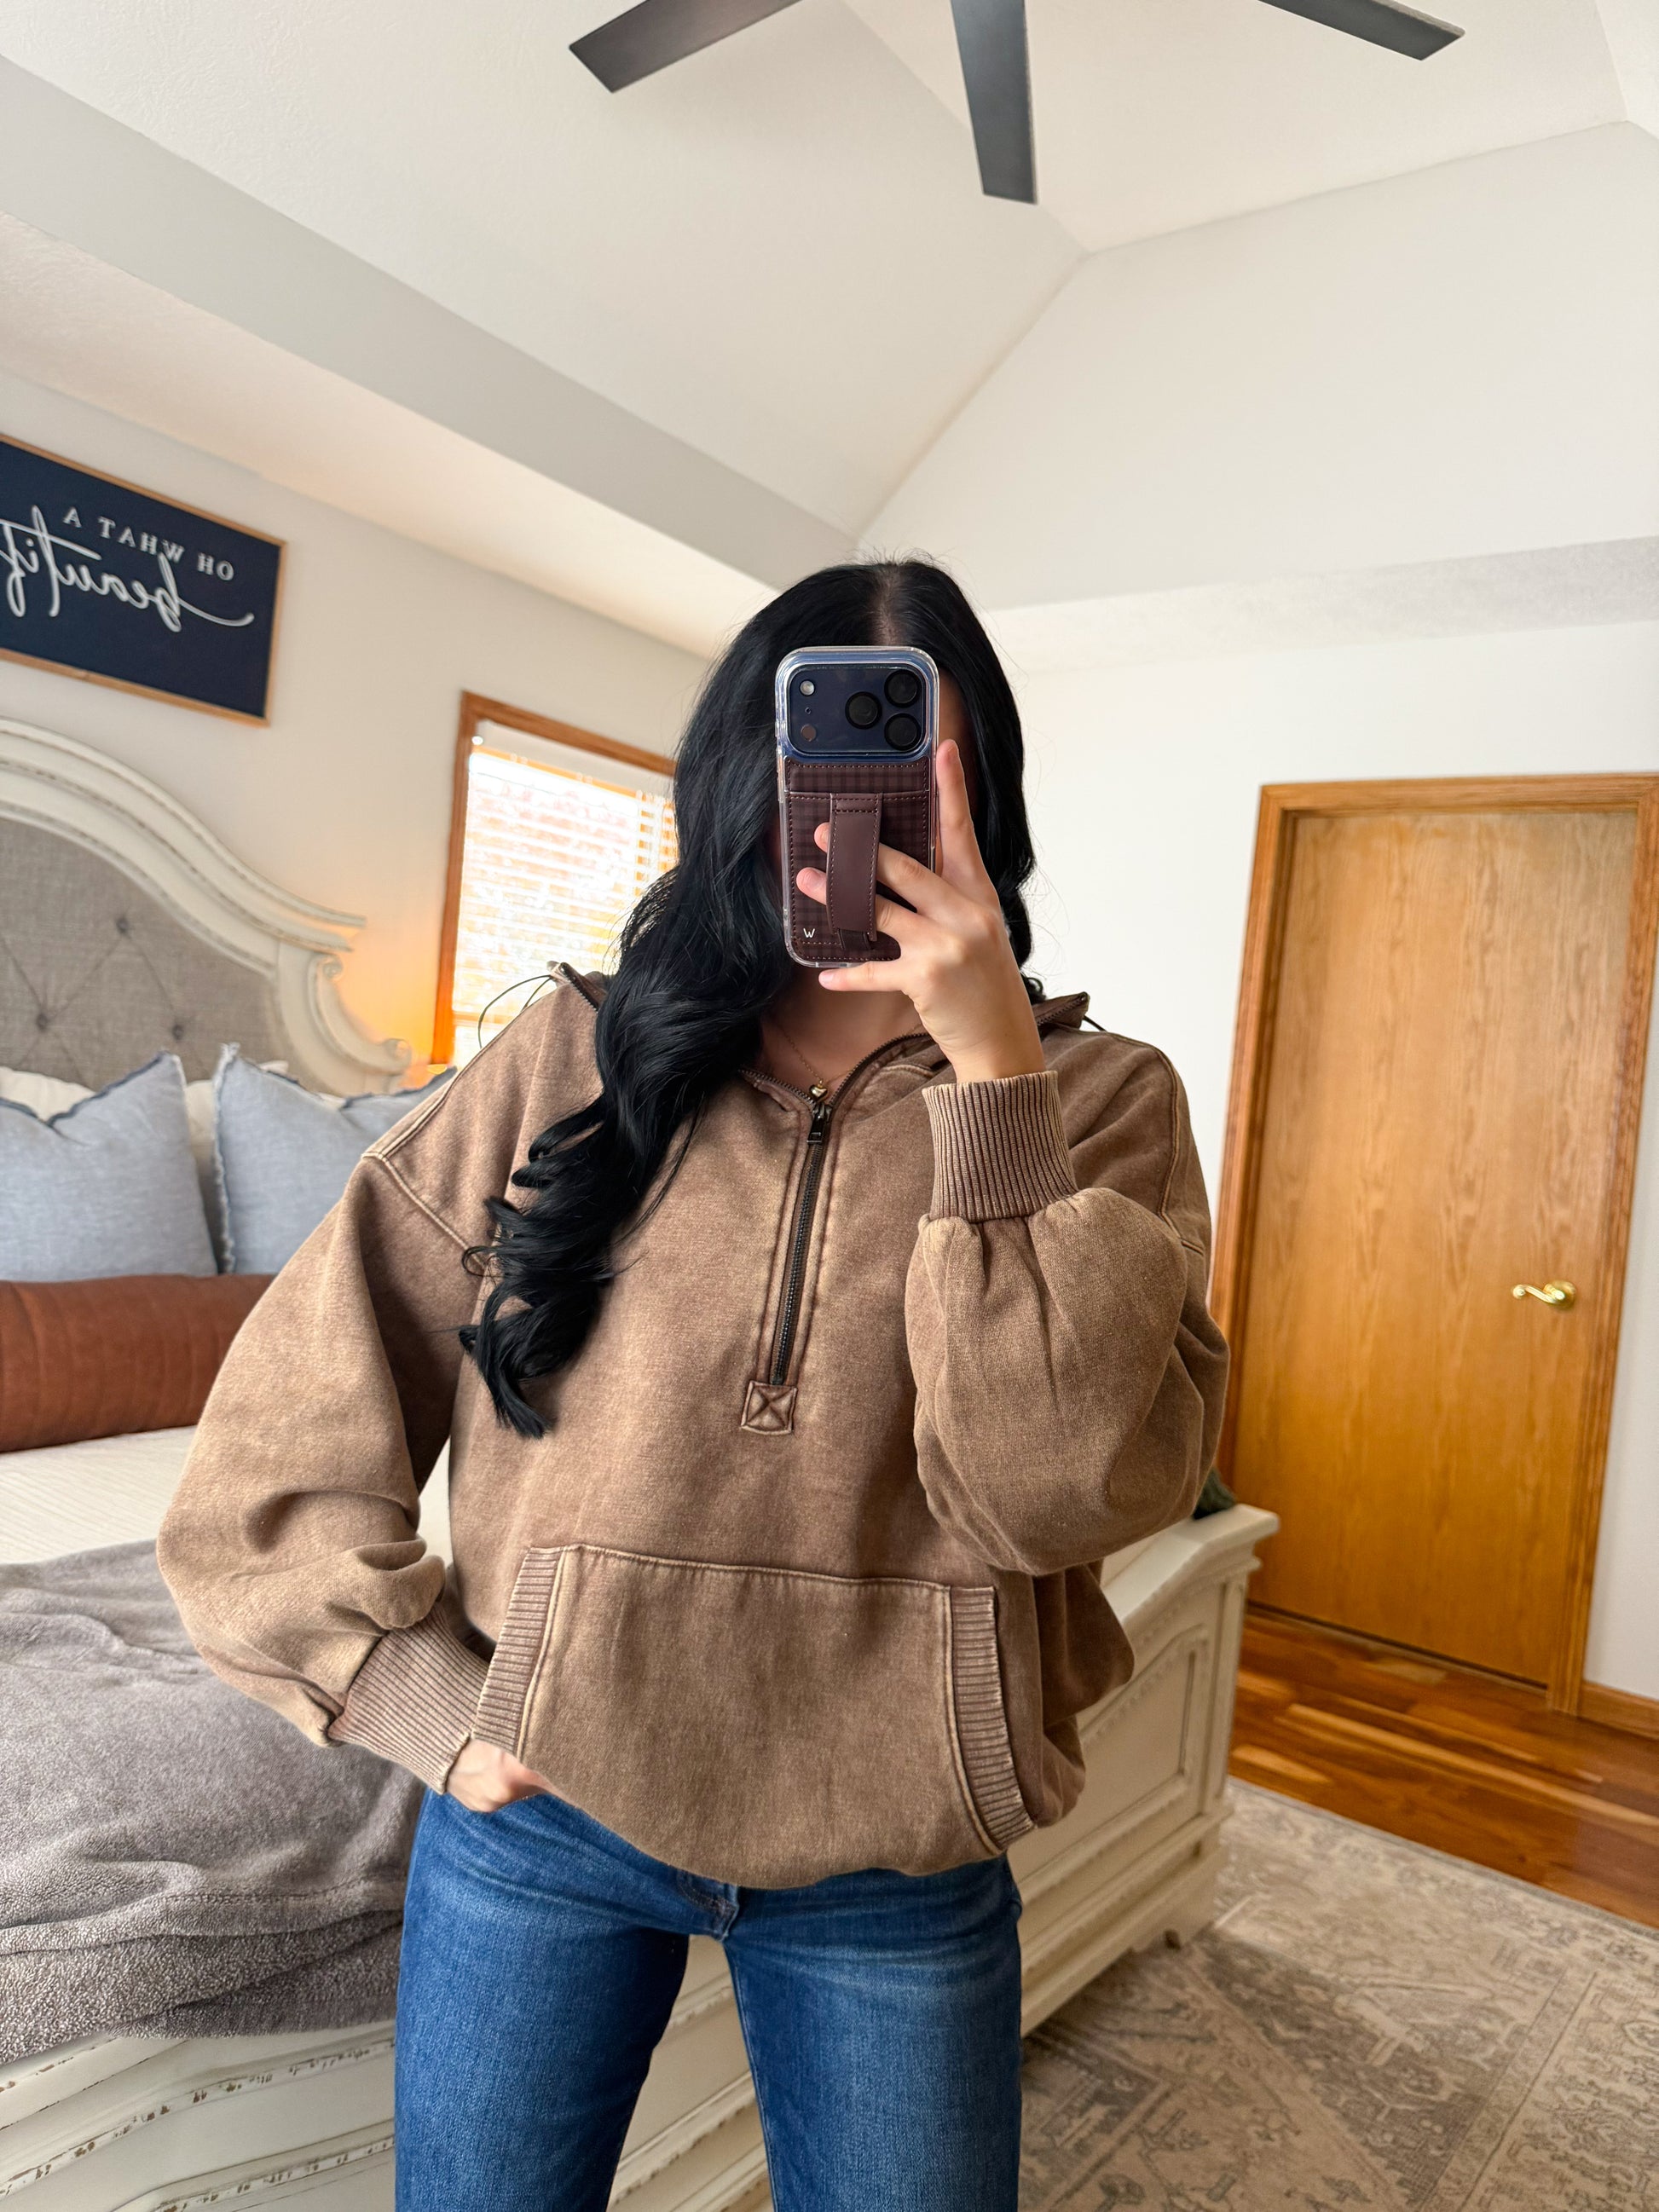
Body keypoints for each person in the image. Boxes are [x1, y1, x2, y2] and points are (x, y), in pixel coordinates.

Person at [159, 557, 1228, 2212]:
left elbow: (1052, 1495)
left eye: (910, 765)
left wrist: (990, 1074)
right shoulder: (566, 1061)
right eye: (825, 760)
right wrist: (424, 1698)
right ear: (745, 779)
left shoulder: (1097, 1100)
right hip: (546, 1820)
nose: (860, 816)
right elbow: (282, 1435)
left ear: (980, 797)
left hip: (897, 1856)